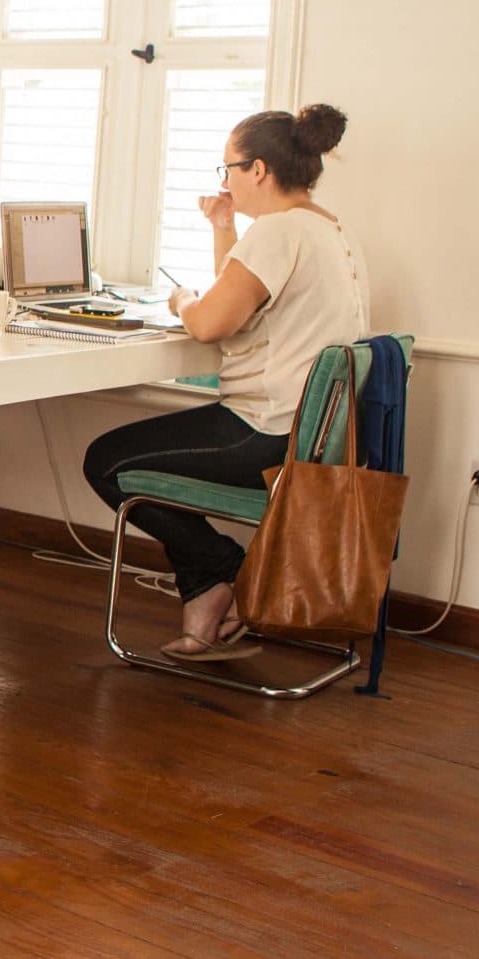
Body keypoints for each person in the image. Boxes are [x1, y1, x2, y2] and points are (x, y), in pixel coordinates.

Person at [83, 105, 369, 660]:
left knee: (105, 462)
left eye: (229, 169)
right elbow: (241, 298)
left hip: (262, 429)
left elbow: (212, 321)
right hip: (310, 436)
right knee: (143, 462)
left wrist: (181, 299)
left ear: (258, 170)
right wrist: (223, 227)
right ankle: (208, 589)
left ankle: (223, 573)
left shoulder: (278, 232)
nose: (225, 182)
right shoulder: (329, 229)